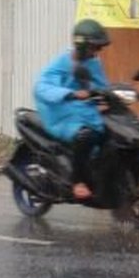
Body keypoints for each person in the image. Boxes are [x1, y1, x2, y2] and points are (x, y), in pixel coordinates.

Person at [34, 19, 110, 201]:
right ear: (82, 46)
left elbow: (102, 85)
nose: (97, 52)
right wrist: (70, 94)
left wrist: (108, 97)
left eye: (99, 48)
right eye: (94, 47)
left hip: (82, 111)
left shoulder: (93, 63)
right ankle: (78, 181)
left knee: (111, 132)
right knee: (85, 136)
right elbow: (42, 87)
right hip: (60, 113)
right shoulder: (62, 63)